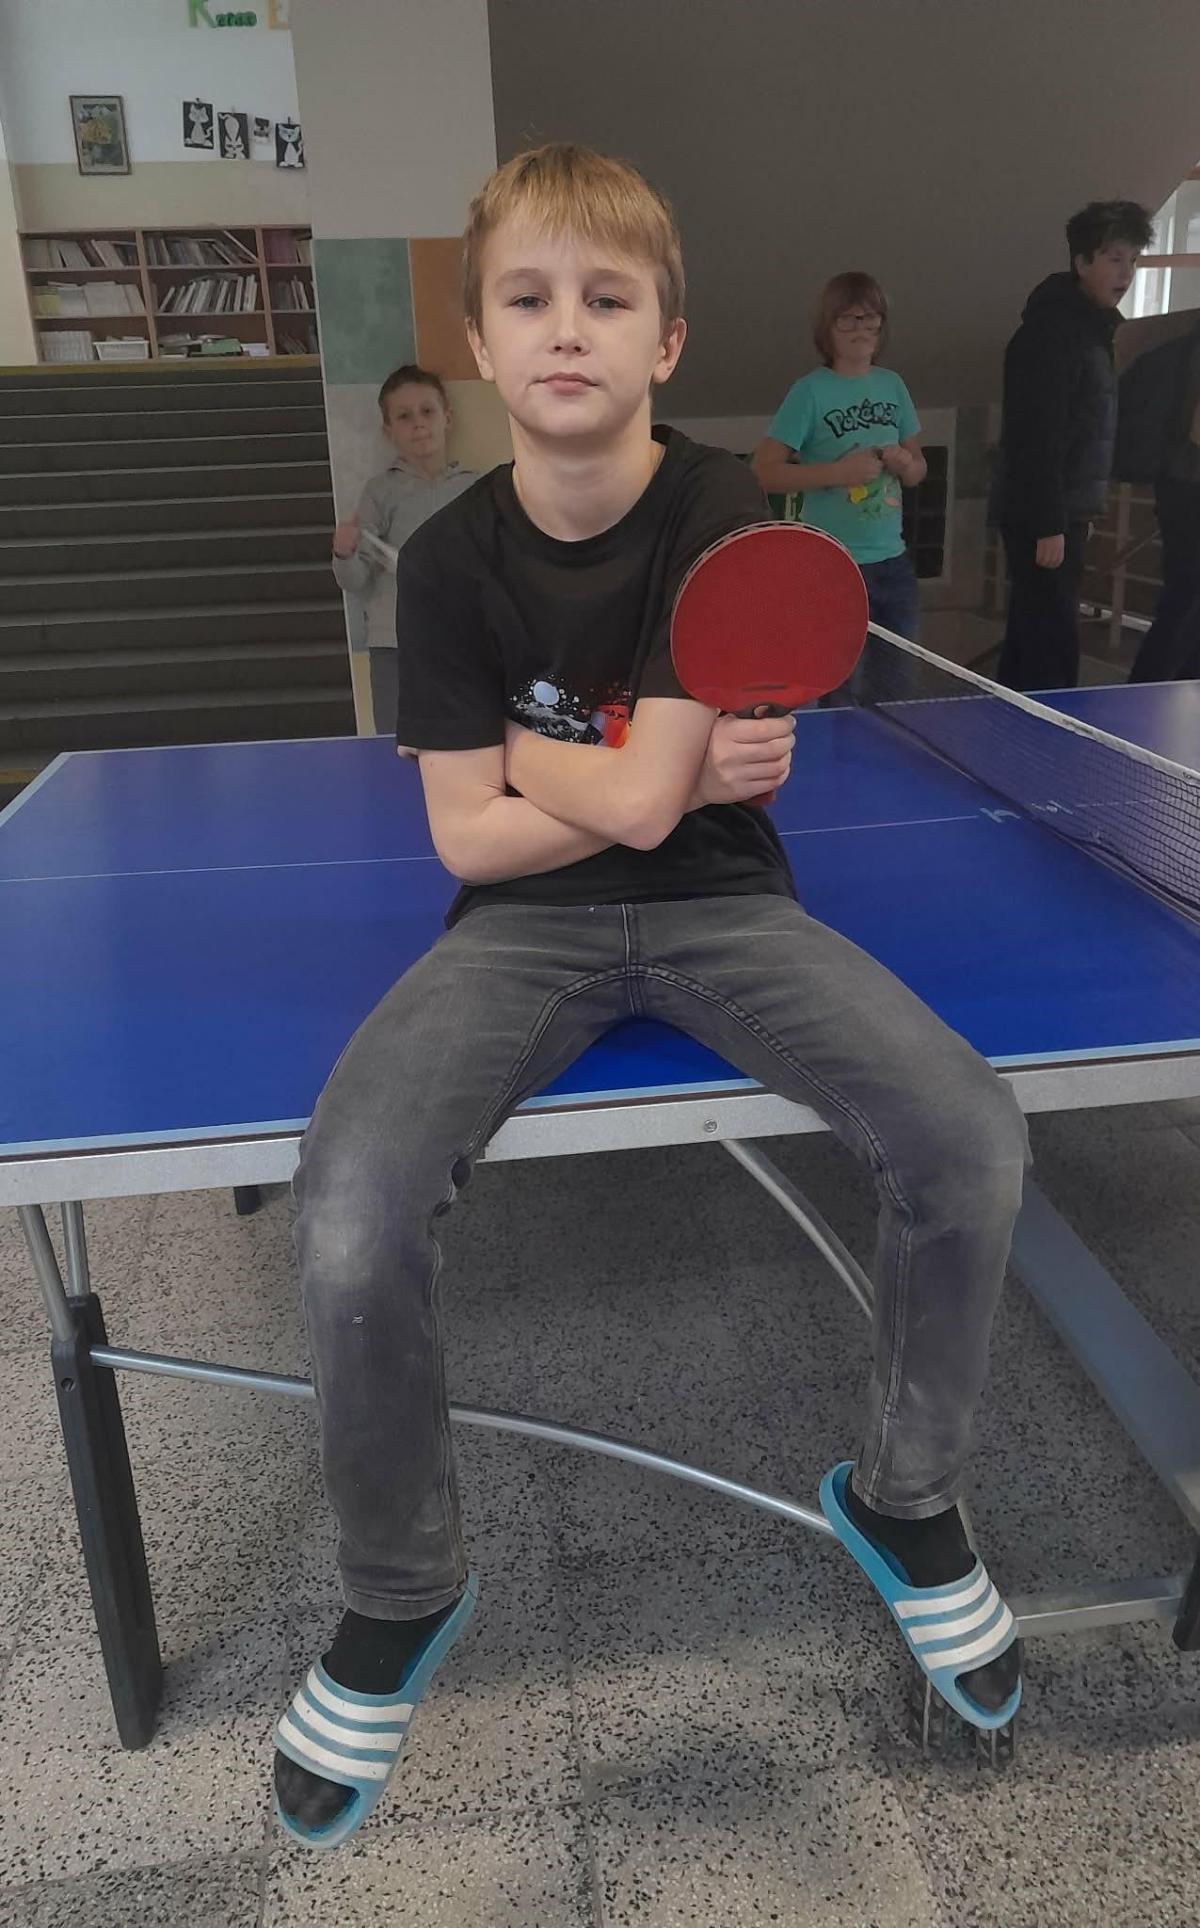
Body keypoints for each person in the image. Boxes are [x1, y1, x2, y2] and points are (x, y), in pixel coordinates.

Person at [272, 143, 1029, 1851]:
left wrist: (539, 754)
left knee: (972, 1137)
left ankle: (905, 1499)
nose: (568, 328)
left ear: (665, 342)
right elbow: (482, 836)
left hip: (721, 906)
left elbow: (614, 809)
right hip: (514, 931)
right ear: (480, 340)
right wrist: (635, 774)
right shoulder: (446, 563)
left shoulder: (719, 521)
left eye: (607, 299)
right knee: (351, 1203)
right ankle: (401, 1589)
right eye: (529, 299)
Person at [992, 200, 1153, 692]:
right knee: (1050, 639)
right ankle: (1051, 730)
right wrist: (1049, 523)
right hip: (1041, 511)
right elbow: (1037, 434)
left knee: (1033, 632)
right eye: (1113, 258)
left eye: (1132, 259)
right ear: (1082, 262)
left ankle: (1016, 725)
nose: (1125, 272)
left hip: (1063, 507)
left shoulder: (1095, 329)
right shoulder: (1052, 334)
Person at [752, 272, 926, 645]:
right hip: (831, 563)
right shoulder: (809, 392)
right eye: (848, 319)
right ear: (827, 327)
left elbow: (917, 471)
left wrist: (905, 464)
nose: (860, 328)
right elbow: (764, 472)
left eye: (870, 318)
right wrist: (840, 473)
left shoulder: (893, 385)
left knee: (896, 676)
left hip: (893, 564)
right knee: (838, 673)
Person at [332, 364, 477, 734]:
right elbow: (355, 580)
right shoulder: (379, 492)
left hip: (465, 641)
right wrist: (344, 553)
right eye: (404, 416)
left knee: (469, 739)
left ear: (447, 417)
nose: (418, 424)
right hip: (394, 644)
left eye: (427, 411)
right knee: (394, 744)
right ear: (388, 430)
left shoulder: (478, 489)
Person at [1128, 319, 1200, 683]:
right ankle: (1150, 689)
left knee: (1183, 600)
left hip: (1180, 487)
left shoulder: (1184, 349)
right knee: (1184, 602)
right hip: (1189, 488)